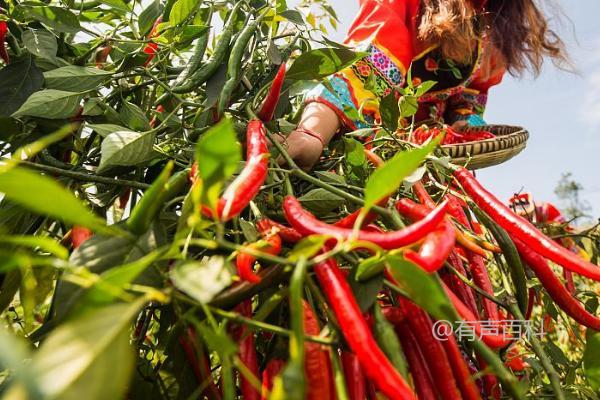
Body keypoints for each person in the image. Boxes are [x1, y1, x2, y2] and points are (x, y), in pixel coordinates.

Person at [282, 0, 567, 169]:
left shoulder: (494, 24)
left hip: (431, 155)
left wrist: (463, 128)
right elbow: (372, 54)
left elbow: (471, 94)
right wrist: (312, 133)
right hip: (368, 138)